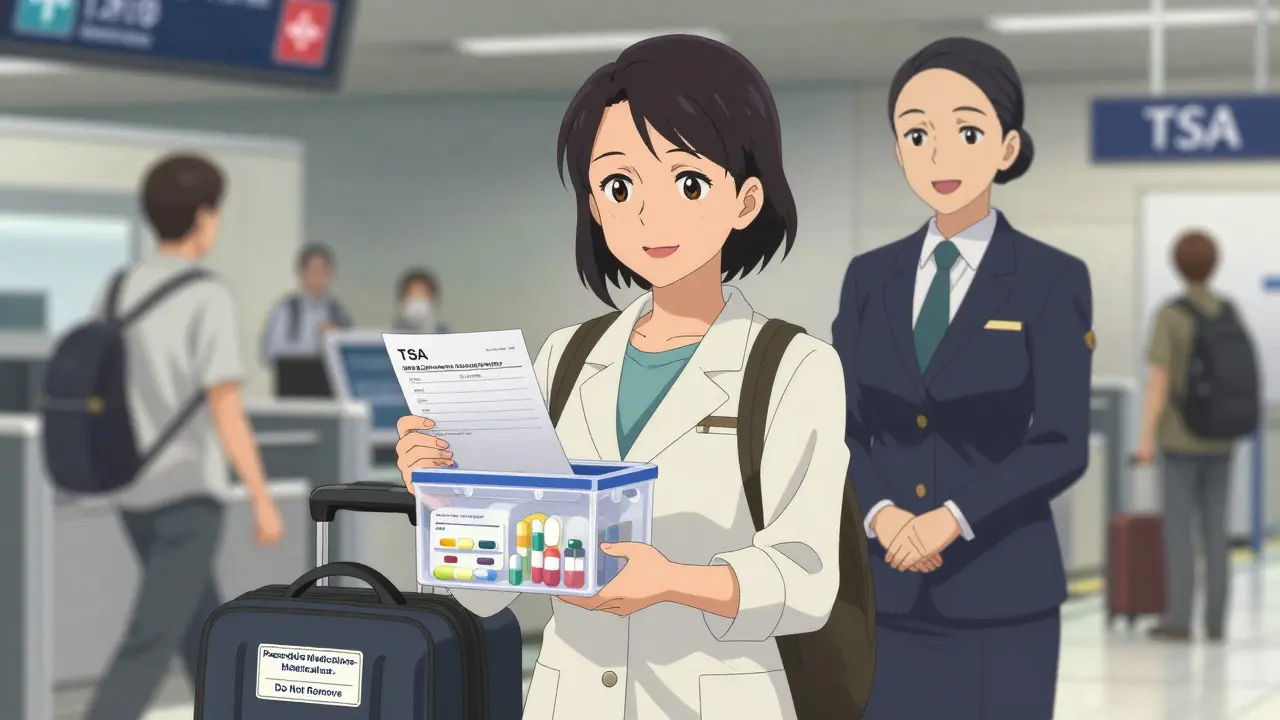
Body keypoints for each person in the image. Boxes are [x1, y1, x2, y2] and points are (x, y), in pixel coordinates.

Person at [395, 35, 853, 720]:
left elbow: (808, 580)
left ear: (745, 200)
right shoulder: (565, 358)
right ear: (596, 205)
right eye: (619, 184)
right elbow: (490, 593)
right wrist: (443, 497)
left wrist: (673, 582)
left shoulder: (794, 368)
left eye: (688, 181)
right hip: (569, 698)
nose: (650, 213)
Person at [831, 37, 1094, 719]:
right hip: (883, 591)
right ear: (896, 148)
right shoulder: (869, 278)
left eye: (967, 131)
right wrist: (885, 517)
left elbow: (1062, 439)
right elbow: (840, 424)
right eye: (917, 134)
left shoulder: (1050, 279)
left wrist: (951, 520)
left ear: (1007, 148)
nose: (939, 156)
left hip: (1002, 594)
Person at [85, 154, 284, 720]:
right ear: (203, 216)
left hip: (131, 490)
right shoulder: (207, 295)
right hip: (187, 495)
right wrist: (262, 499)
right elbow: (226, 407)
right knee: (152, 638)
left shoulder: (118, 287)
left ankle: (236, 708)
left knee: (201, 627)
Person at [1134, 230, 1256, 642]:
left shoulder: (1171, 315)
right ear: (1214, 264)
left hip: (1179, 438)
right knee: (1216, 530)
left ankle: (1180, 620)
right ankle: (1217, 621)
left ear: (1177, 265)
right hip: (1222, 438)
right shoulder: (1229, 311)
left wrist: (1146, 439)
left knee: (1179, 532)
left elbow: (1159, 381)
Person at [260, 243, 353, 396]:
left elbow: (350, 356)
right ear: (301, 273)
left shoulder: (339, 313)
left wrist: (335, 339)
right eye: (313, 270)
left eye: (324, 270)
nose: (319, 276)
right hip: (291, 394)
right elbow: (268, 354)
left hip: (329, 395)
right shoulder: (285, 310)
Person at [392, 268, 450, 332]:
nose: (417, 301)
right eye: (412, 296)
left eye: (421, 295)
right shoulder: (390, 336)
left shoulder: (445, 334)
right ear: (401, 301)